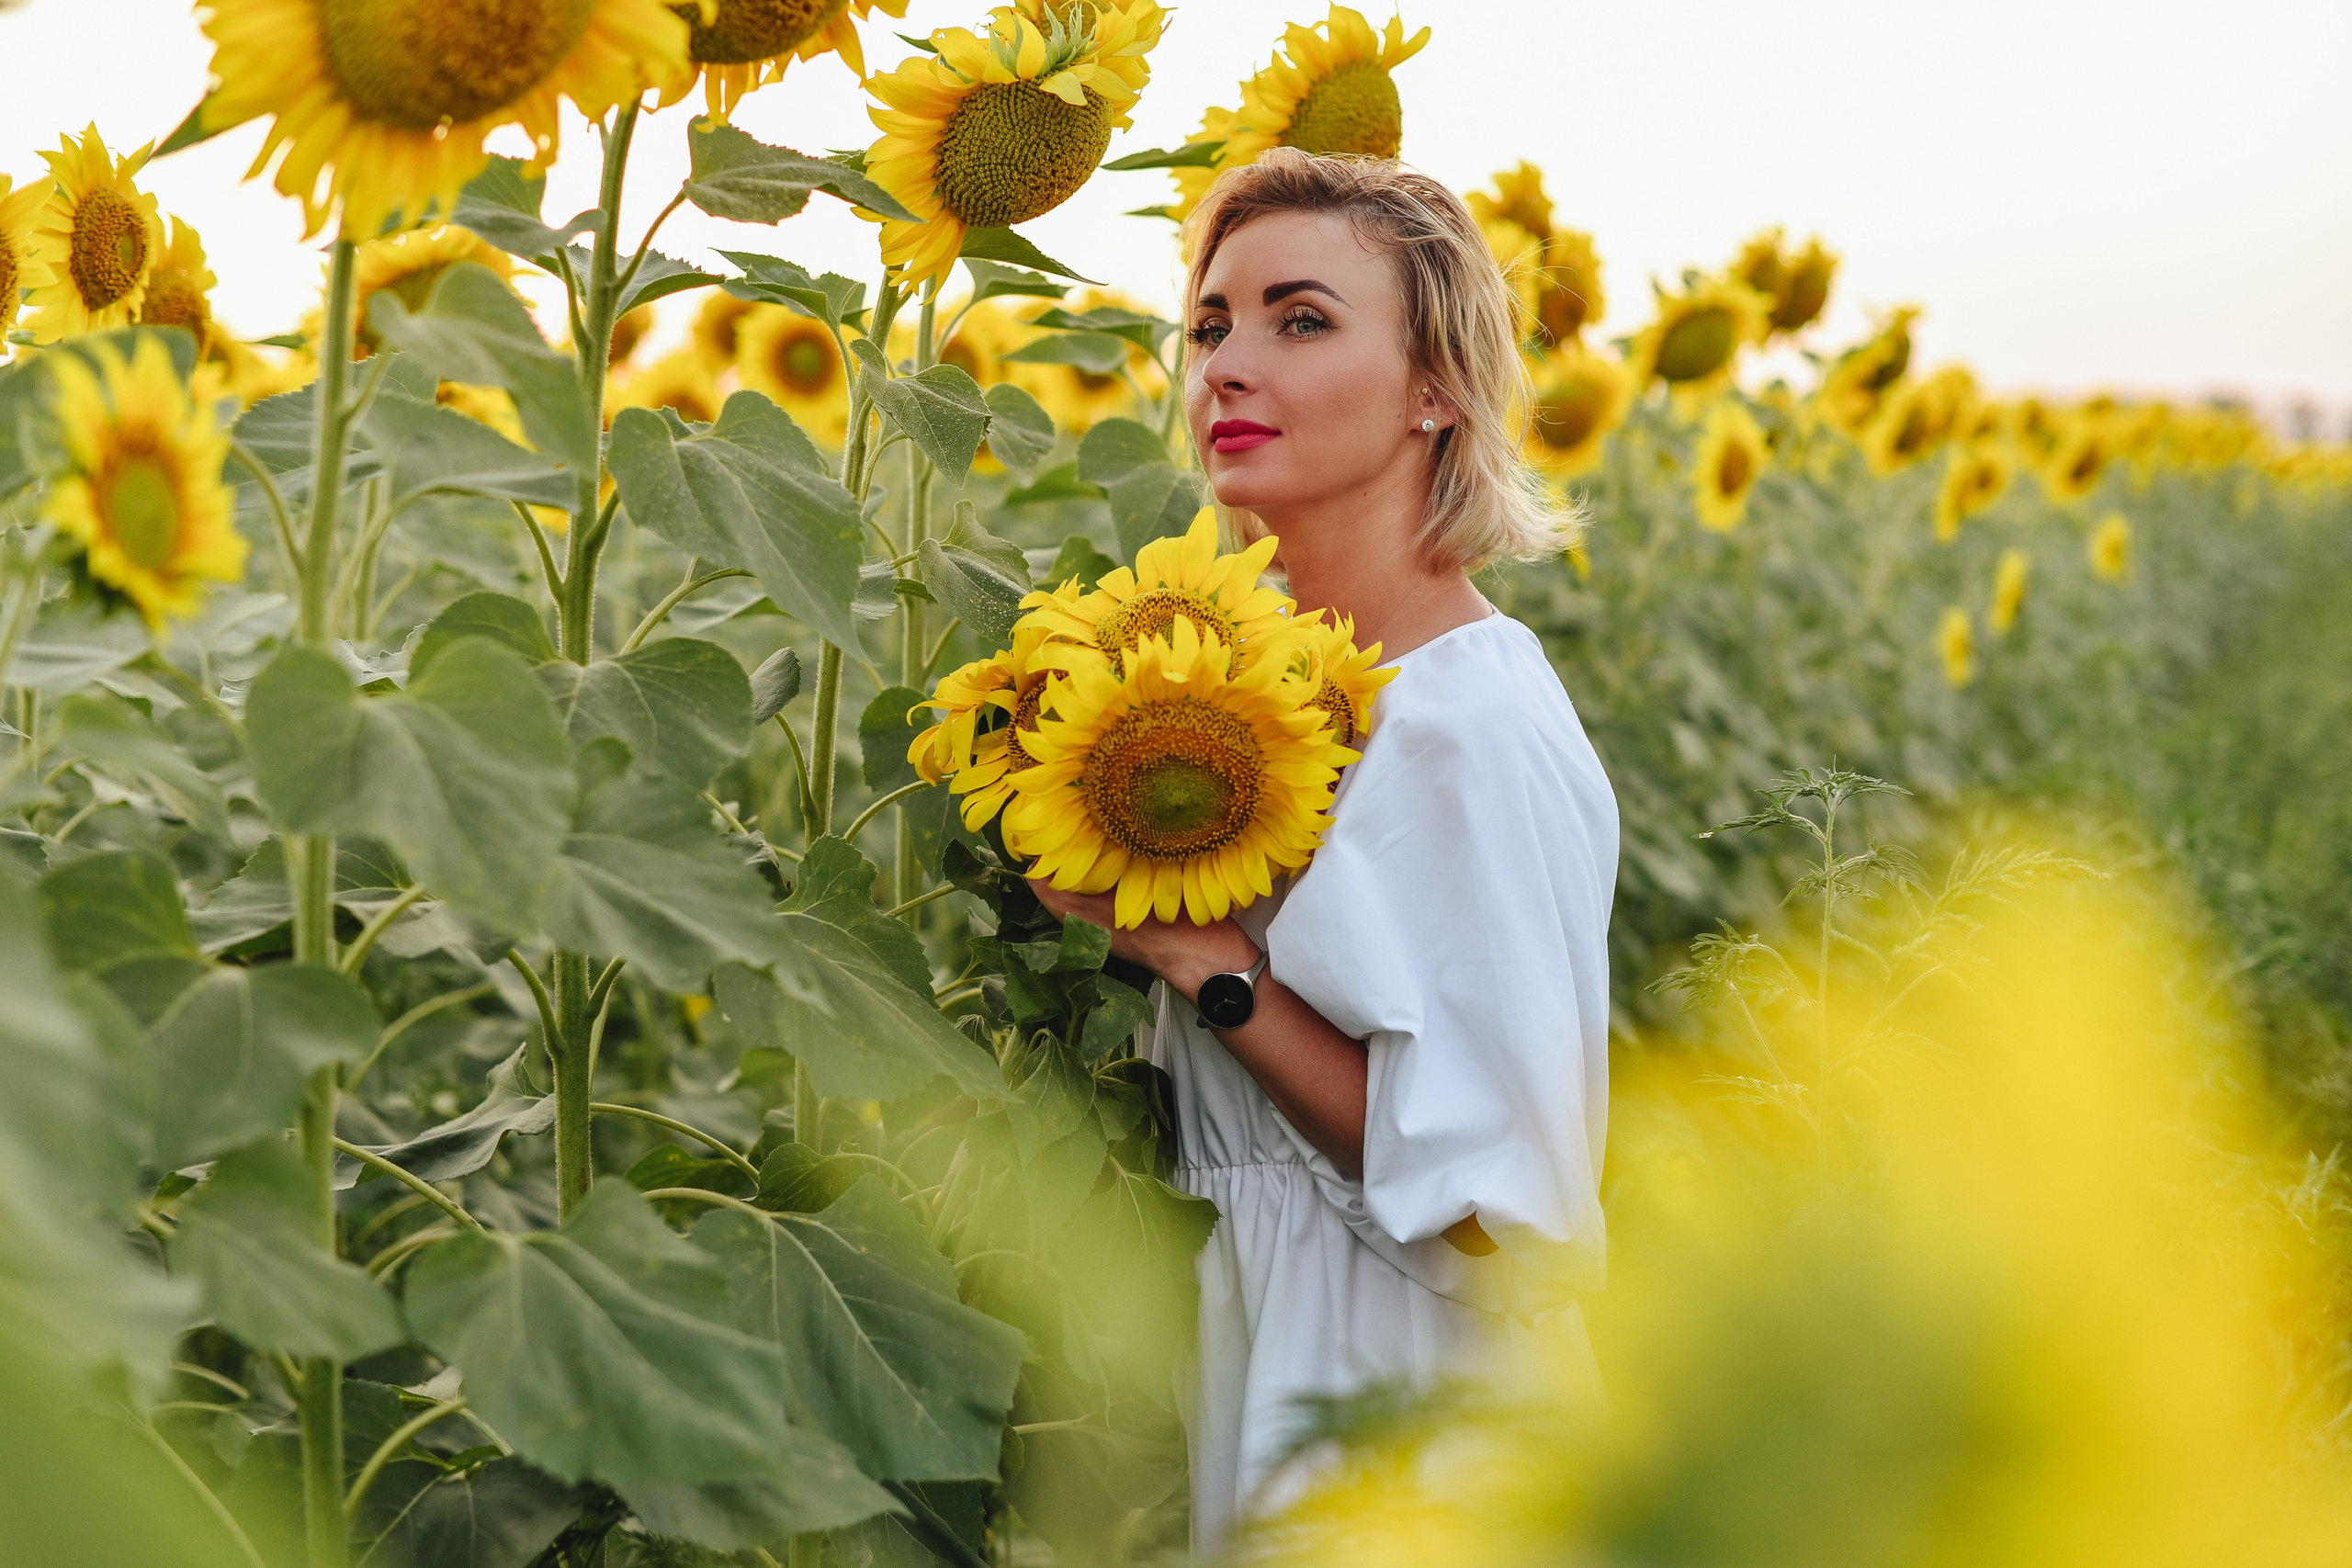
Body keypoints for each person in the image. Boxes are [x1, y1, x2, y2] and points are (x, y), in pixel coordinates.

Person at [1024, 147, 1619, 1551]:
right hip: (1274, 1348)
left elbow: (1499, 1217)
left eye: (1301, 320)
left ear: (1436, 387)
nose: (1228, 366)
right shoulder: (1260, 702)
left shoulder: (1464, 727)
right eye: (1210, 325)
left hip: (1401, 1406)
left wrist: (1199, 961)